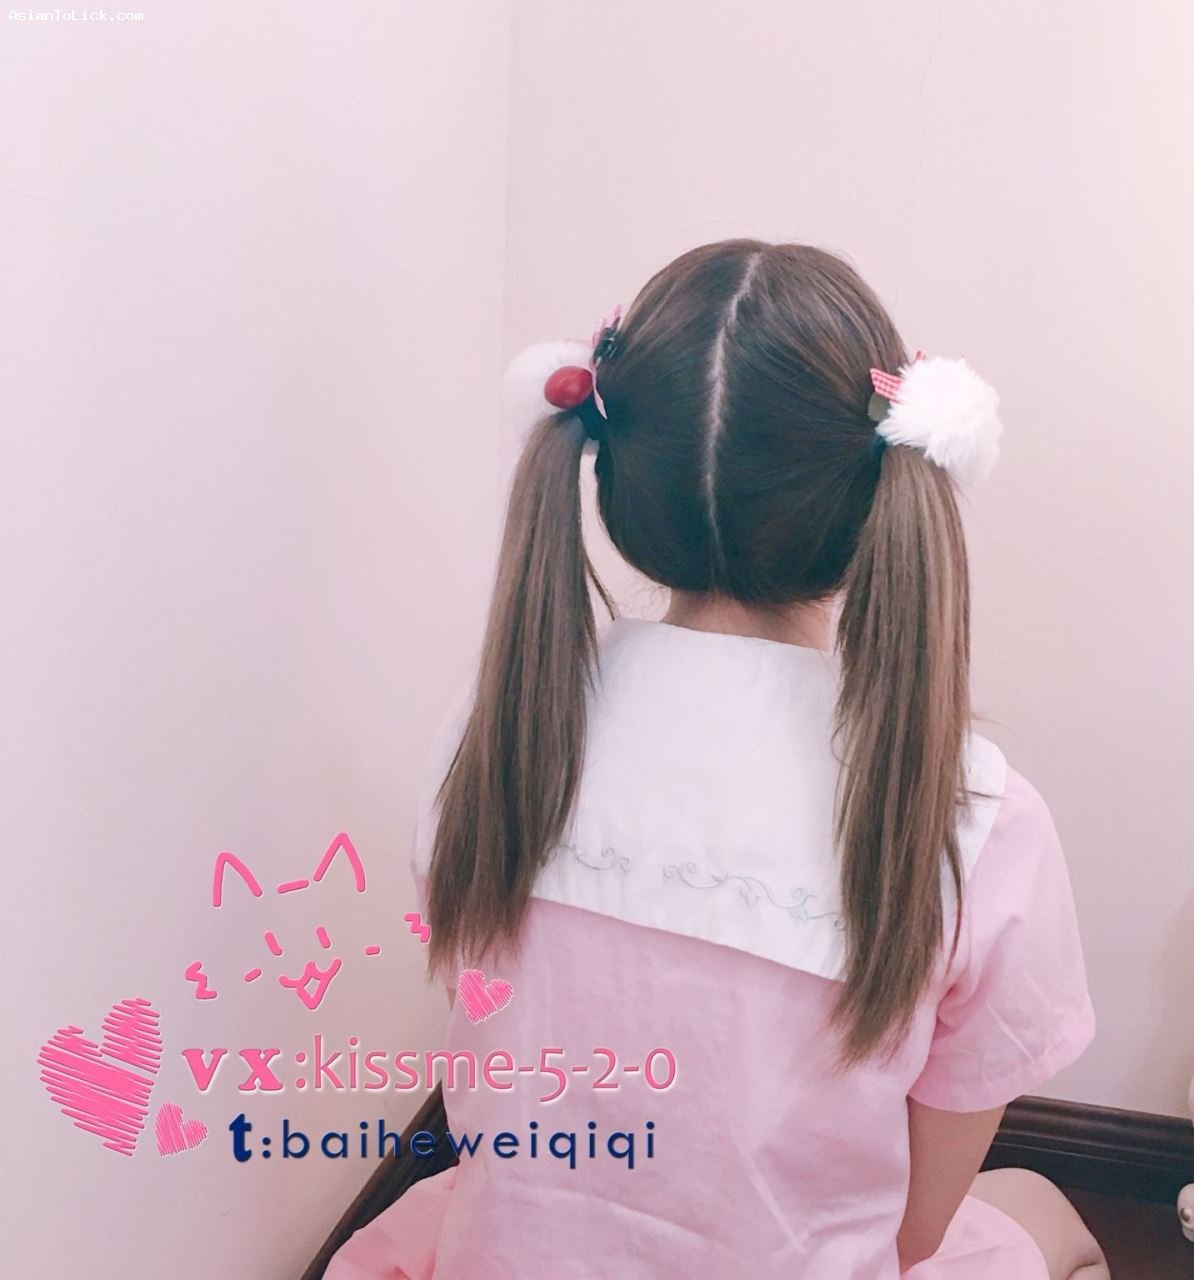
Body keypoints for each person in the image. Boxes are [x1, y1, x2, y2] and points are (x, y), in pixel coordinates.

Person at [326, 239, 1107, 1279]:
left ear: (613, 474)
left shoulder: (496, 742)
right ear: (881, 487)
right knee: (1041, 1205)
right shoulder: (975, 817)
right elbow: (912, 1233)